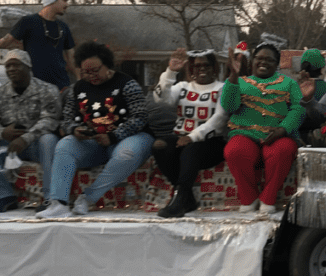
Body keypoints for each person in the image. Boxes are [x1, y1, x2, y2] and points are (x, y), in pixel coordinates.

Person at [37, 42, 153, 219]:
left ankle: (88, 197)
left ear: (107, 65)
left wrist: (113, 136)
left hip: (130, 137)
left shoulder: (127, 84)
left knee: (126, 153)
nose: (91, 76)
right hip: (94, 142)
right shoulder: (77, 88)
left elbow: (140, 117)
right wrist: (74, 130)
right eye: (86, 72)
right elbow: (66, 119)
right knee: (65, 145)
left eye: (95, 70)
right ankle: (58, 203)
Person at [0, 50, 61, 213]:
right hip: (10, 146)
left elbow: (51, 120)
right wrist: (2, 132)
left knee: (49, 140)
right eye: (8, 66)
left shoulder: (48, 90)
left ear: (28, 66)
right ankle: (3, 197)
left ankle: (51, 198)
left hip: (37, 145)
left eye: (16, 65)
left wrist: (26, 138)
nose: (11, 69)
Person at [221, 41, 304, 213]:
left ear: (277, 64)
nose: (263, 62)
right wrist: (233, 76)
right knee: (235, 150)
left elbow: (299, 109)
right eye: (259, 58)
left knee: (284, 150)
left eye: (269, 60)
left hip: (277, 135)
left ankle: (268, 198)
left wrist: (282, 129)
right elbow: (229, 107)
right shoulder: (240, 81)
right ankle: (249, 198)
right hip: (245, 134)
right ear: (252, 61)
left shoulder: (290, 83)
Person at [150, 48, 229, 218]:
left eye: (206, 65)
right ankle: (187, 198)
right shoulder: (183, 87)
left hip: (211, 142)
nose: (202, 69)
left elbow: (220, 118)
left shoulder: (222, 88)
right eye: (197, 66)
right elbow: (161, 98)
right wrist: (171, 72)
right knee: (159, 145)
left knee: (191, 149)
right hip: (181, 138)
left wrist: (192, 137)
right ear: (191, 68)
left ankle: (179, 201)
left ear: (214, 68)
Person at [0, 0, 78, 90]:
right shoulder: (28, 22)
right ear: (53, 1)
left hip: (61, 86)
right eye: (64, 0)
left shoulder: (63, 27)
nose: (67, 4)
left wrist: (80, 80)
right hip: (35, 87)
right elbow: (6, 40)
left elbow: (72, 58)